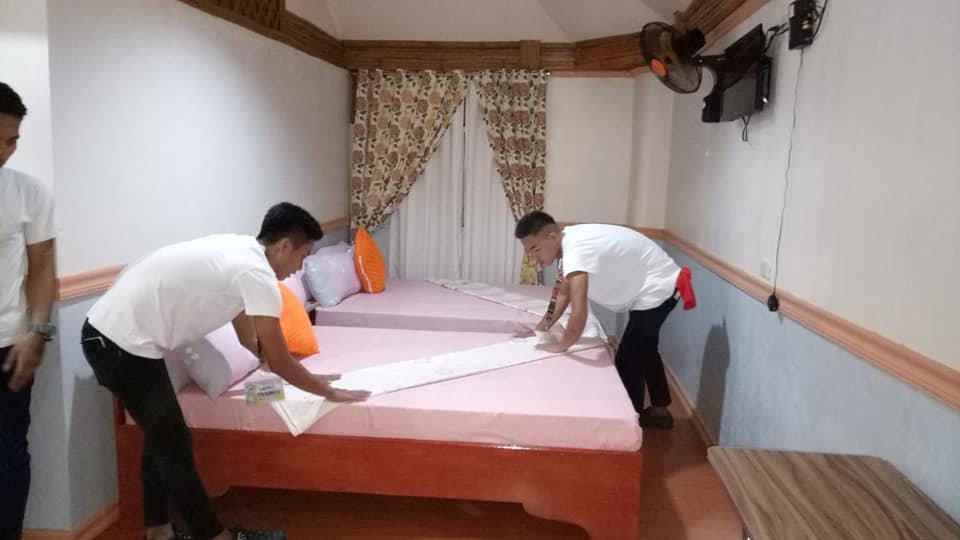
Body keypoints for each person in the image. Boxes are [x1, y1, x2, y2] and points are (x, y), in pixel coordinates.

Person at [81, 203, 370, 540]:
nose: (298, 269)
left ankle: (159, 531)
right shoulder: (257, 274)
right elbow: (280, 361)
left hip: (119, 337)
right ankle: (214, 536)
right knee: (174, 441)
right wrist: (327, 391)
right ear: (283, 246)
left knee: (161, 436)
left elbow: (246, 332)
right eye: (302, 256)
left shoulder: (241, 251)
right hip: (118, 343)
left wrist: (263, 360)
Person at [515, 211, 695, 430]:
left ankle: (628, 424)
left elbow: (579, 311)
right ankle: (660, 411)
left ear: (551, 237)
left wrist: (563, 345)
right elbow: (563, 292)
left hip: (658, 288)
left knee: (629, 358)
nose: (532, 256)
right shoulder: (568, 240)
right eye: (528, 251)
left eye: (535, 249)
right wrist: (542, 327)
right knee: (645, 347)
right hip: (654, 285)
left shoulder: (576, 251)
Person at [0, 82, 58, 540]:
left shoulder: (28, 192)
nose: (6, 151)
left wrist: (37, 330)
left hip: (9, 344)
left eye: (12, 140)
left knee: (8, 454)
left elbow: (42, 267)